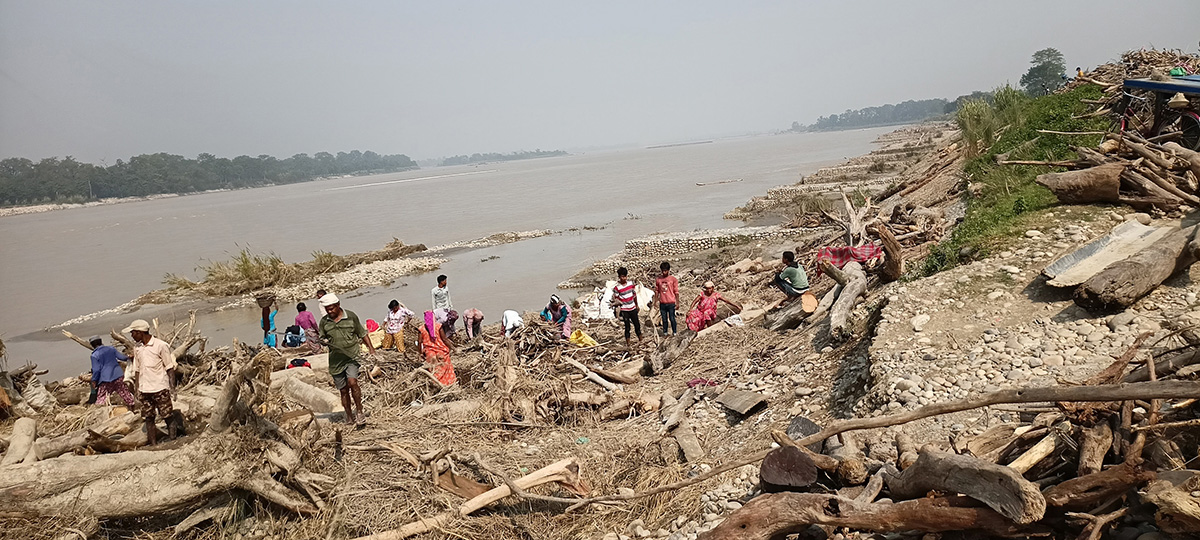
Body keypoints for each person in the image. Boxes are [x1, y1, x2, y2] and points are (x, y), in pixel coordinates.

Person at [317, 293, 374, 426]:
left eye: (331, 308)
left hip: (351, 357)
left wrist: (371, 348)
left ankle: (359, 411)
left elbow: (362, 333)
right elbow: (322, 337)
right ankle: (348, 415)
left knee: (352, 382)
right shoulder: (324, 322)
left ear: (338, 305)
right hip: (336, 361)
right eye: (327, 309)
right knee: (343, 390)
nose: (329, 311)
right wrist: (323, 341)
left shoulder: (351, 316)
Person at [123, 319, 178, 445]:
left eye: (133, 333)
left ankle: (173, 442)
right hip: (144, 388)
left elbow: (169, 368)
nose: (131, 335)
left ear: (140, 332)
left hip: (160, 387)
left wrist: (172, 388)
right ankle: (153, 444)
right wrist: (137, 389)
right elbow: (137, 369)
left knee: (167, 416)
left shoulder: (160, 345)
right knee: (148, 418)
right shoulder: (137, 348)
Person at [89, 336, 136, 408]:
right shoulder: (111, 349)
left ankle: (99, 411)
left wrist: (94, 380)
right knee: (124, 393)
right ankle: (133, 407)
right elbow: (122, 357)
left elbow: (96, 370)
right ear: (101, 341)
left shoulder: (94, 355)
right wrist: (129, 356)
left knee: (102, 397)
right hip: (118, 375)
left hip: (106, 379)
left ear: (92, 345)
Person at [419, 310, 457, 386]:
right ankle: (449, 383)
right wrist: (453, 348)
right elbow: (445, 339)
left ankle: (436, 383)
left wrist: (420, 353)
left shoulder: (421, 329)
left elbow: (420, 342)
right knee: (446, 368)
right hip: (441, 351)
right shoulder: (438, 326)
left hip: (430, 353)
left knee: (434, 369)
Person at [610, 267, 642, 347]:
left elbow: (634, 295)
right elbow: (616, 299)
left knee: (637, 325)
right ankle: (628, 343)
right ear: (619, 277)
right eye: (621, 277)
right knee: (627, 327)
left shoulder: (631, 284)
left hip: (632, 307)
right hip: (624, 309)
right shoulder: (617, 288)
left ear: (627, 276)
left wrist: (636, 305)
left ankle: (641, 340)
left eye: (624, 276)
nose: (623, 278)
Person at [654, 261, 679, 336]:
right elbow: (657, 291)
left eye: (665, 270)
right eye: (663, 271)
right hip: (662, 302)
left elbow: (676, 292)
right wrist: (655, 301)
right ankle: (665, 333)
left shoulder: (673, 279)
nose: (664, 272)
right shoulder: (658, 280)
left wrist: (677, 302)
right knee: (664, 319)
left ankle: (674, 332)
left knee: (672, 318)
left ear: (668, 270)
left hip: (671, 302)